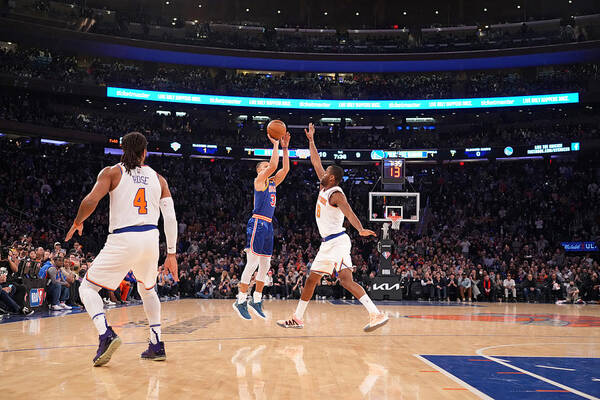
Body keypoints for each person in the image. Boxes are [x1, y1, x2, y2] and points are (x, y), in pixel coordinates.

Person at [65, 131, 178, 366]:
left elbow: (90, 200)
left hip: (124, 237)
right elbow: (170, 217)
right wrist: (171, 253)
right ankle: (156, 344)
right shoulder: (159, 178)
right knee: (148, 290)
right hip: (150, 238)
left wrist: (78, 221)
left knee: (87, 288)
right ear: (145, 152)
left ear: (123, 150)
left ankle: (106, 334)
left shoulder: (112, 172)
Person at [277, 123, 387, 332]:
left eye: (326, 172)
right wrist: (311, 141)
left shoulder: (336, 193)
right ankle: (298, 318)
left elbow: (349, 211)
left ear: (333, 177)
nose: (323, 173)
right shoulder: (325, 185)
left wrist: (361, 228)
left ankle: (376, 314)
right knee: (311, 280)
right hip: (327, 244)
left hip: (337, 241)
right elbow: (316, 161)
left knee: (346, 281)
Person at [233, 130, 291, 320]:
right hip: (257, 222)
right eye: (265, 167)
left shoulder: (272, 182)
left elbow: (285, 169)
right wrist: (275, 144)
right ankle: (240, 300)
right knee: (252, 264)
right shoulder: (259, 180)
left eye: (268, 167)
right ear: (260, 170)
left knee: (265, 265)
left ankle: (256, 299)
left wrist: (285, 148)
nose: (269, 168)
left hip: (268, 226)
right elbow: (274, 165)